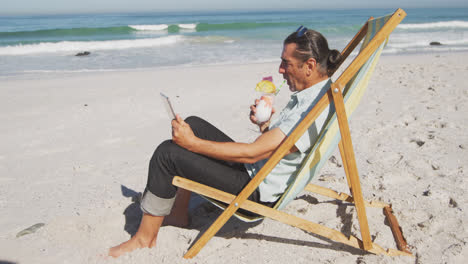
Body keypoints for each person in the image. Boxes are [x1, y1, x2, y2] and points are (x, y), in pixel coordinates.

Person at [108, 26, 342, 258]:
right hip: (259, 172)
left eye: (286, 63)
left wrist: (191, 144)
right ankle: (178, 214)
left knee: (167, 154)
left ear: (310, 65)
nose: (280, 69)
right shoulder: (318, 96)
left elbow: (252, 154)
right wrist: (264, 125)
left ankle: (144, 239)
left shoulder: (312, 110)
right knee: (193, 124)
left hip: (256, 189)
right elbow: (283, 147)